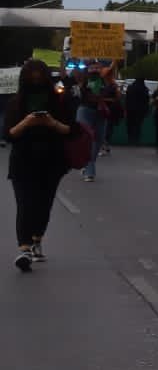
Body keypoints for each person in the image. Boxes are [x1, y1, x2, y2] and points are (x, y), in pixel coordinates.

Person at [6, 60, 79, 271]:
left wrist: (52, 123)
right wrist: (27, 122)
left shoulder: (59, 102)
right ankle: (25, 248)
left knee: (43, 205)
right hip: (23, 161)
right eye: (32, 77)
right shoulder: (16, 103)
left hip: (51, 162)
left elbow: (72, 130)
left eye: (40, 76)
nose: (36, 81)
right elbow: (9, 134)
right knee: (25, 204)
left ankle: (37, 238)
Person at [75, 66, 113, 181]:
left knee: (98, 139)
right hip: (85, 110)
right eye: (92, 68)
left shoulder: (104, 81)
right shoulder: (84, 79)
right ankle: (89, 171)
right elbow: (76, 75)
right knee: (86, 137)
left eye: (97, 68)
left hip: (100, 113)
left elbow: (110, 70)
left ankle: (87, 164)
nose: (95, 70)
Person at [123, 77, 150, 149]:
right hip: (140, 111)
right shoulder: (145, 89)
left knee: (130, 125)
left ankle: (130, 140)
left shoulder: (130, 88)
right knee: (138, 125)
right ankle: (136, 140)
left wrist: (125, 109)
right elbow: (147, 101)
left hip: (130, 110)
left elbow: (127, 99)